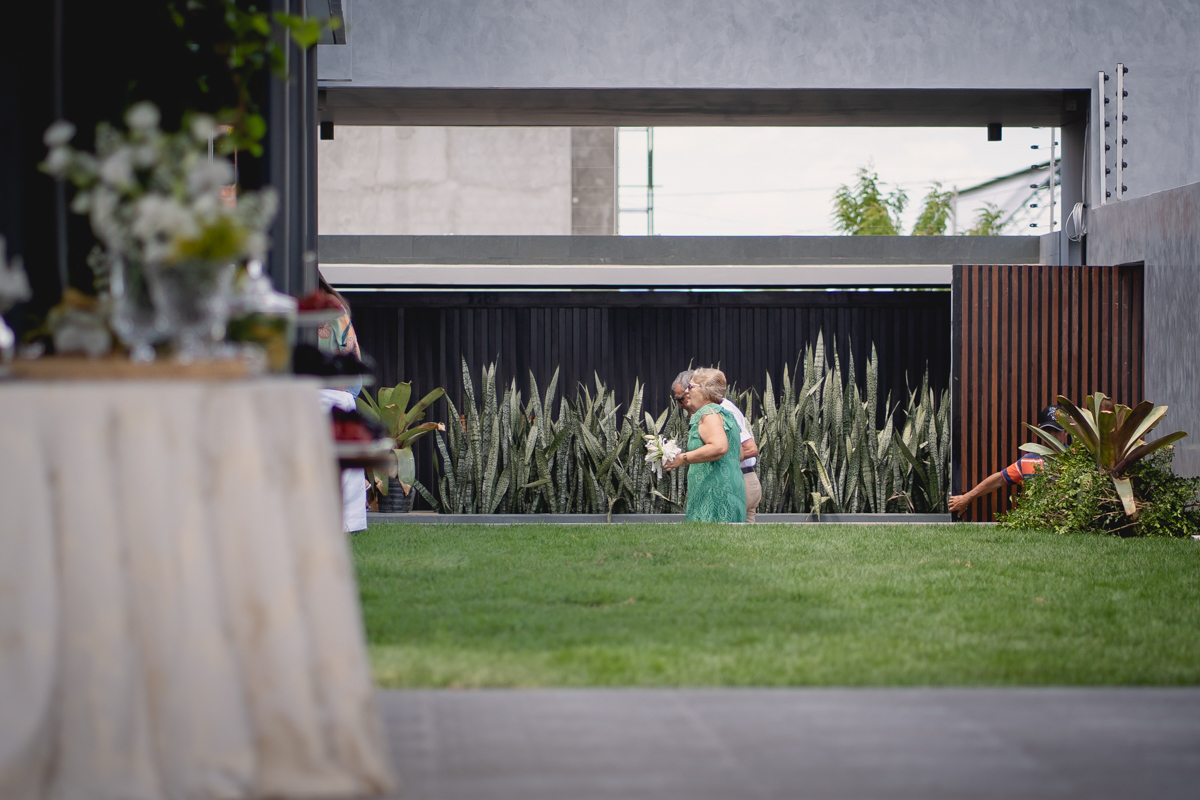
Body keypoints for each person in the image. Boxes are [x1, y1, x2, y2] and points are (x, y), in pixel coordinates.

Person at [948, 405, 1070, 515]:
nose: (1051, 435)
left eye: (1056, 430)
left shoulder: (1076, 460)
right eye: (1047, 430)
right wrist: (966, 498)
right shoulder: (1028, 461)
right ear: (1039, 430)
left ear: (1066, 431)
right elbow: (999, 479)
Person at [672, 370, 761, 521]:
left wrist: (682, 458)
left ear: (705, 389)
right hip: (733, 486)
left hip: (714, 490)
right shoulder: (725, 414)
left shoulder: (708, 412)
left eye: (691, 387)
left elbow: (719, 447)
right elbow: (738, 452)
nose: (687, 391)